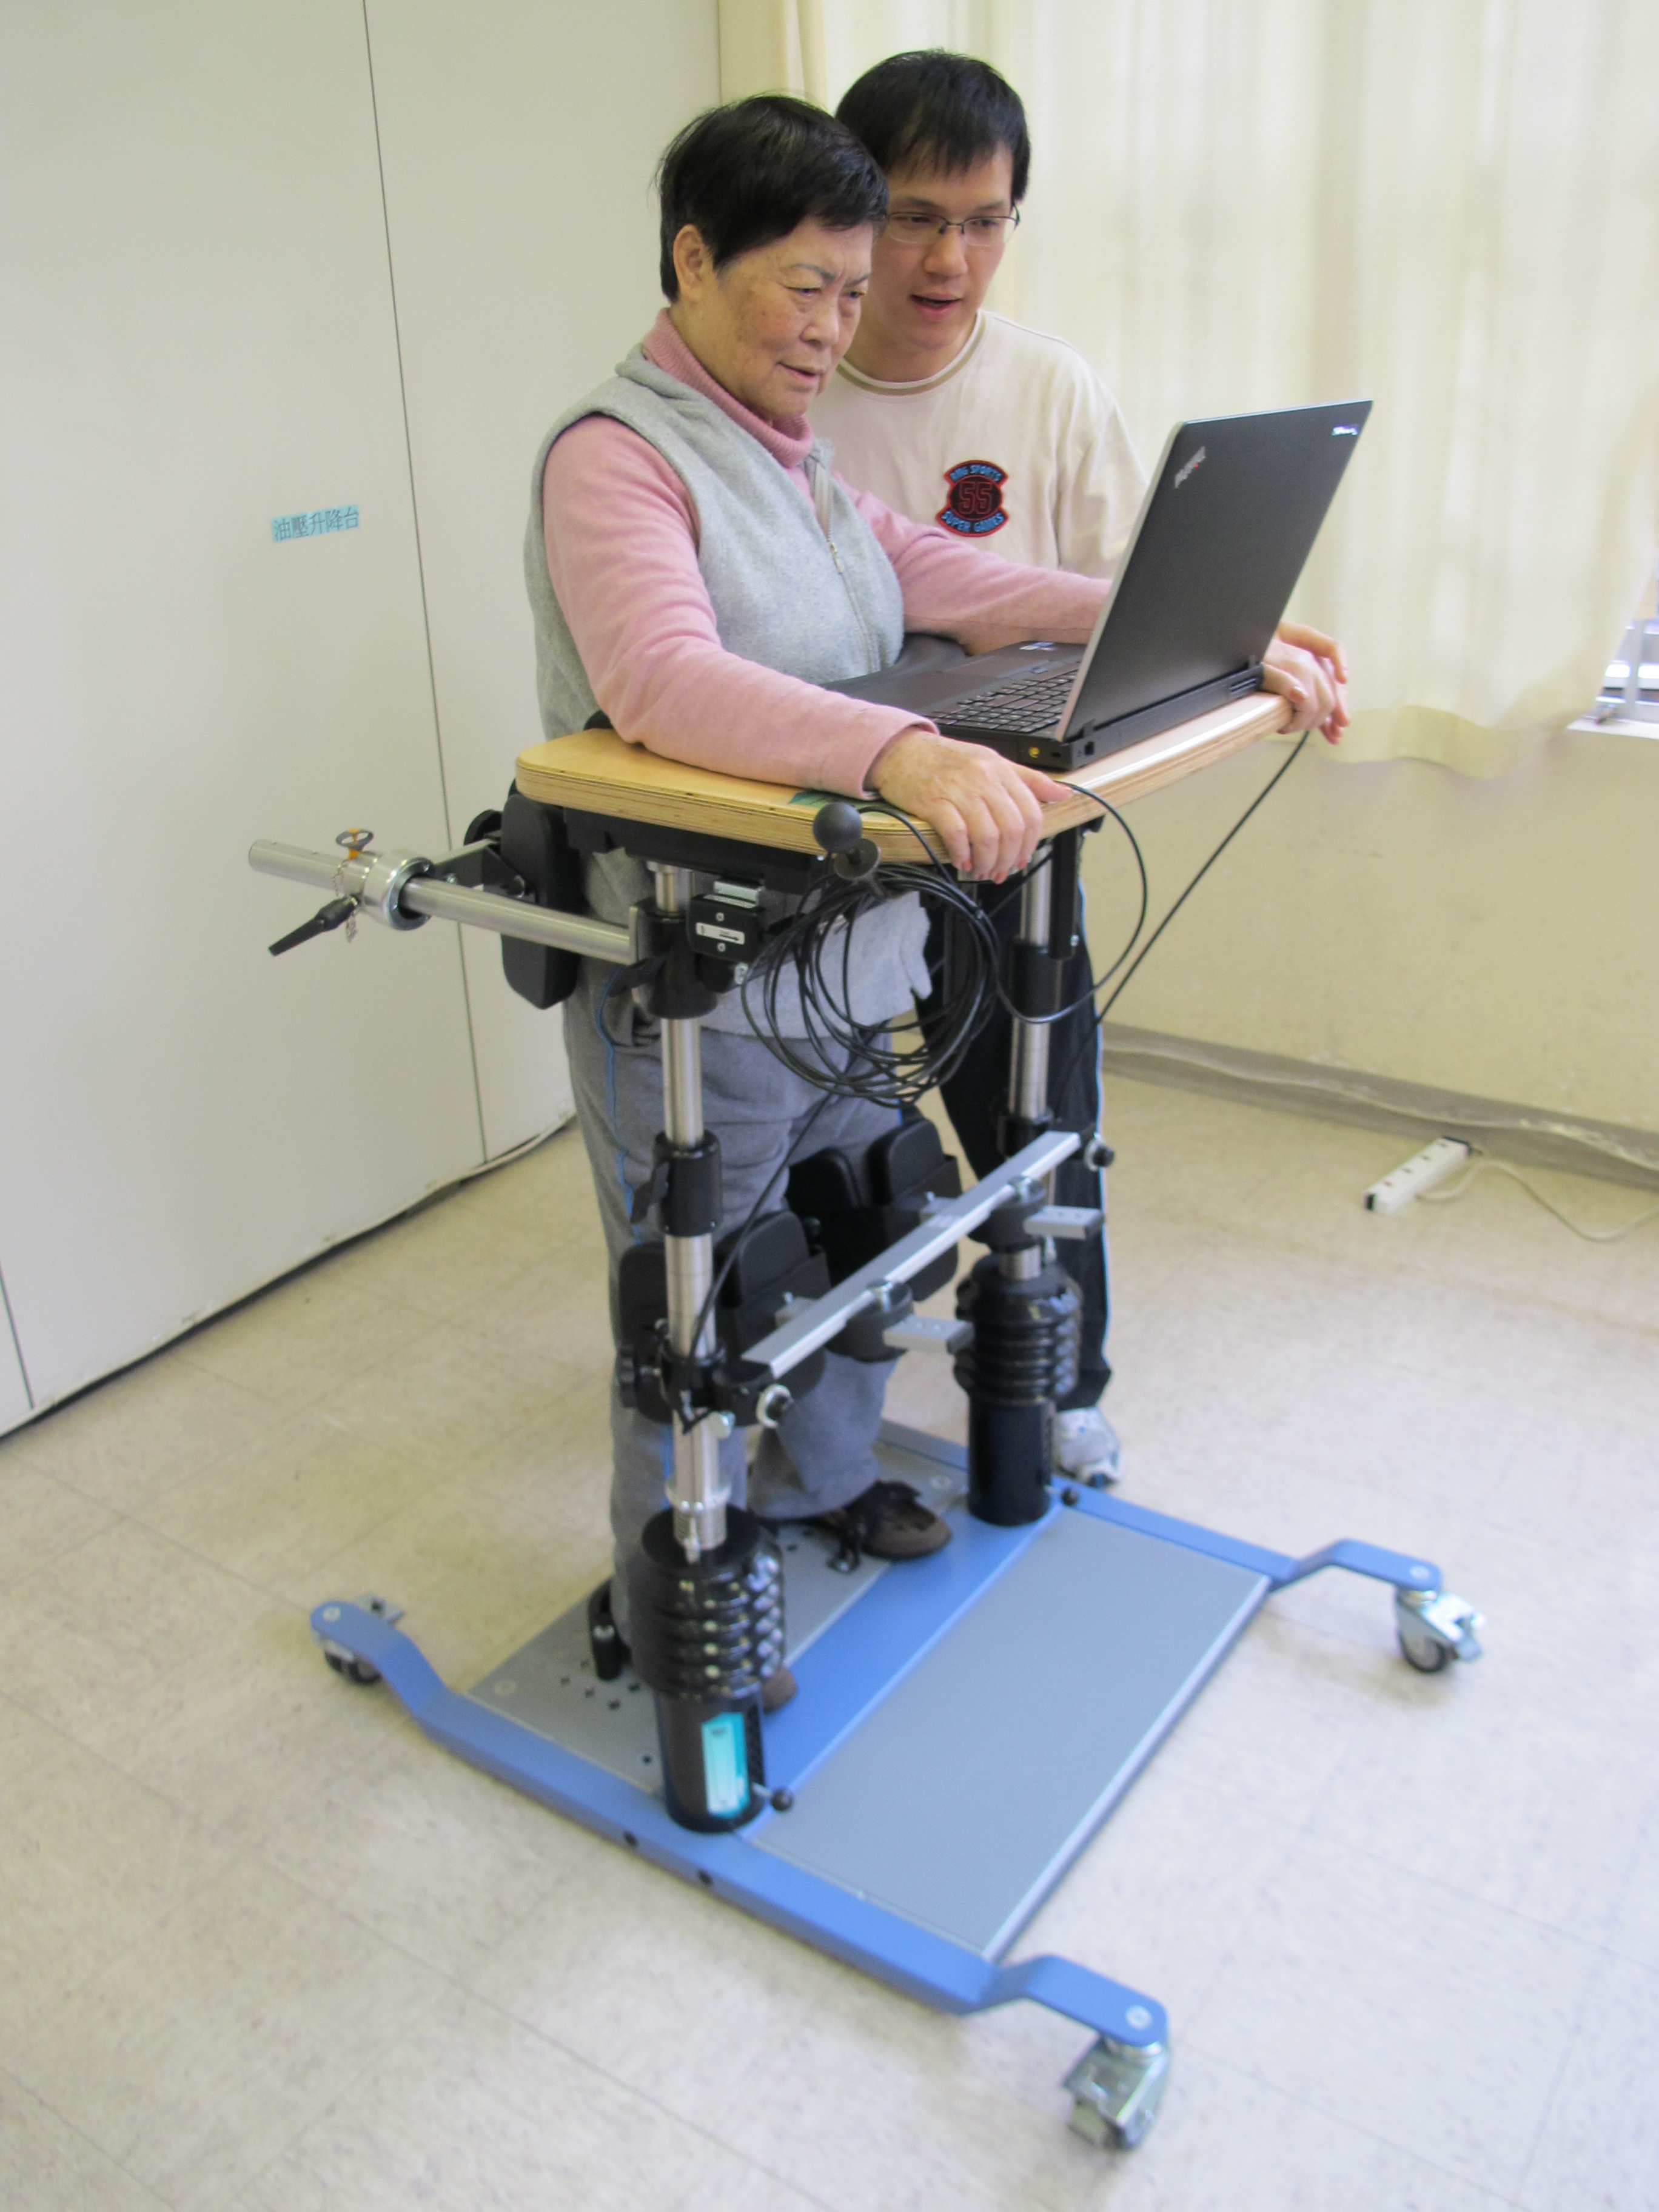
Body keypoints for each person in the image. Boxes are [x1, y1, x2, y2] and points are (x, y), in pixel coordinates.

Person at [526, 95, 1334, 1706]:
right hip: (702, 983)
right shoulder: (614, 460)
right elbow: (666, 678)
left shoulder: (794, 455)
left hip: (840, 970)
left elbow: (955, 584)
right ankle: (675, 1586)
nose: (835, 325)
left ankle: (817, 1487)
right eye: (801, 287)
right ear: (692, 258)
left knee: (863, 1230)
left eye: (849, 287)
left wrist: (1212, 621)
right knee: (694, 1300)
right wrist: (898, 751)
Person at [818, 51, 1349, 1483]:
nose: (950, 260)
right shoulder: (788, 387)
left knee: (1043, 1109)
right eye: (919, 218)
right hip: (827, 814)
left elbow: (1137, 607)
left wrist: (1254, 649)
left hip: (1010, 814)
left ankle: (1056, 1380)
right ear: (849, 215)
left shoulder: (1048, 387)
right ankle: (817, 1395)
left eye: (986, 222)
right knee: (826, 1120)